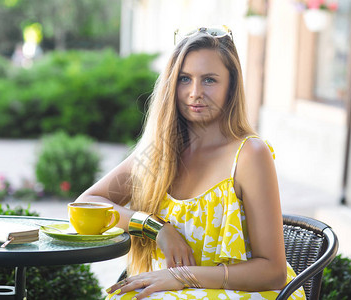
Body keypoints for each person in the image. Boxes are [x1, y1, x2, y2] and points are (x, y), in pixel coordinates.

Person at [75, 26, 306, 300]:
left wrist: (182, 276)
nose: (195, 92)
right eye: (185, 79)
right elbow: (87, 204)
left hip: (246, 291)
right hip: (174, 290)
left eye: (209, 80)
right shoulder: (161, 151)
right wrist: (155, 227)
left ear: (231, 86)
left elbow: (273, 272)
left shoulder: (250, 154)